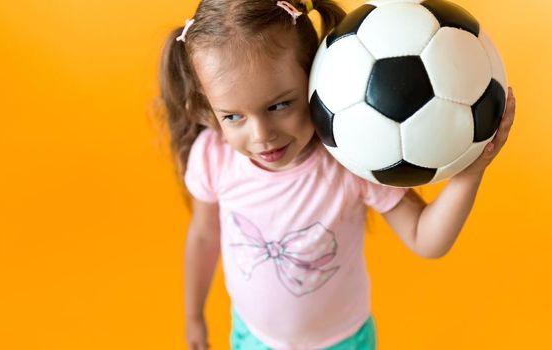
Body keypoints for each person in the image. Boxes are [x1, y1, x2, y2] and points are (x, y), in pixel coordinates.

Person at [157, 0, 516, 349]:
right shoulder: (214, 157)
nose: (261, 135)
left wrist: (471, 173)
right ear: (209, 106)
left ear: (313, 77)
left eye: (279, 105)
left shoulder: (350, 160)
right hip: (253, 338)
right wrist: (193, 315)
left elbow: (426, 239)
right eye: (233, 116)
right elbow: (205, 235)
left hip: (342, 340)